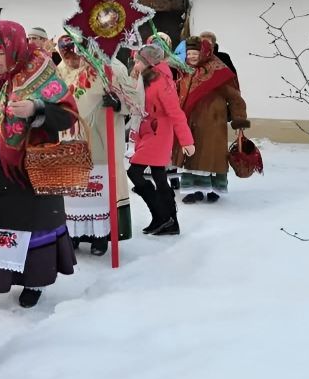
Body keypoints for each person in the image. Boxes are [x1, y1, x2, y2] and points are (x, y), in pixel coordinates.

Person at [0, 21, 78, 308]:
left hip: (30, 168)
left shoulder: (40, 72)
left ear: (14, 47)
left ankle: (34, 281)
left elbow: (68, 115)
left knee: (30, 226)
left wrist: (36, 109)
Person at [64, 51, 143, 255]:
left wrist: (118, 103)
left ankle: (100, 236)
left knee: (100, 186)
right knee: (76, 187)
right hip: (74, 138)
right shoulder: (71, 68)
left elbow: (134, 100)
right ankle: (74, 232)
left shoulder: (114, 68)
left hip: (102, 138)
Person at [127, 44, 194, 236]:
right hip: (148, 131)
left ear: (148, 63)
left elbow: (175, 112)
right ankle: (167, 221)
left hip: (159, 133)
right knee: (159, 177)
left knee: (135, 172)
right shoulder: (144, 79)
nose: (135, 63)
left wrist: (186, 141)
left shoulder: (162, 82)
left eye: (139, 61)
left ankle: (163, 216)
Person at [174, 37, 250, 203]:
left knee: (211, 156)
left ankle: (213, 189)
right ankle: (194, 191)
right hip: (190, 121)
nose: (192, 57)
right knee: (192, 155)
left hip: (212, 122)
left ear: (204, 53)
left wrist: (239, 120)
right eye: (189, 53)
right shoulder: (185, 71)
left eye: (195, 53)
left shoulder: (218, 72)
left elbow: (235, 98)